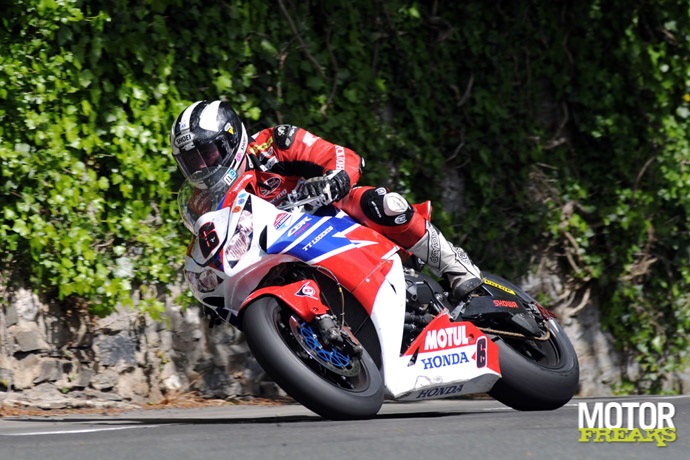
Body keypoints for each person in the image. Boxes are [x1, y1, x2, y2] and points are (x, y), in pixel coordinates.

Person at [170, 100, 482, 301]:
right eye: (191, 161)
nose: (202, 167)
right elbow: (213, 246)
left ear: (231, 139)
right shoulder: (202, 201)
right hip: (274, 256)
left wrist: (335, 179)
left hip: (325, 218)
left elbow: (338, 155)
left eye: (207, 154)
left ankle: (455, 265)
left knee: (384, 204)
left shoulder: (272, 144)